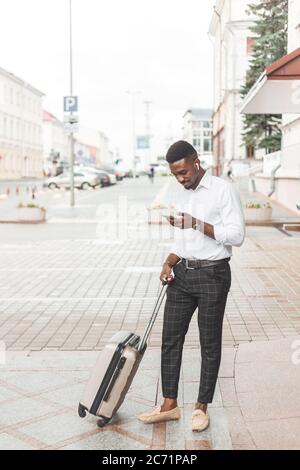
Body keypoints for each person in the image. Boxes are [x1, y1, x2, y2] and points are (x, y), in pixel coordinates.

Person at [138, 141, 245, 432]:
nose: (180, 179)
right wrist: (168, 262)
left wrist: (197, 223)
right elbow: (183, 240)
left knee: (209, 344)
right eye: (175, 175)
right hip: (182, 275)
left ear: (196, 162)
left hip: (213, 275)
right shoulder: (181, 193)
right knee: (171, 338)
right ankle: (169, 405)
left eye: (183, 172)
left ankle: (201, 407)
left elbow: (236, 236)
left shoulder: (223, 190)